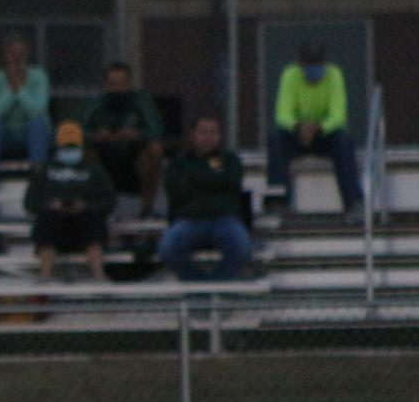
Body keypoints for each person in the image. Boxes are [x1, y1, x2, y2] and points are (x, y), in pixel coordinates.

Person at [266, 41, 363, 222]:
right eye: (309, 65)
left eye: (318, 65)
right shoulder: (290, 75)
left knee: (343, 140)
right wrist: (298, 127)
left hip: (324, 135)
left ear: (324, 64)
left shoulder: (334, 75)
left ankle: (354, 203)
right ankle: (277, 203)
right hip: (296, 134)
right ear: (300, 64)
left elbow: (338, 116)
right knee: (276, 139)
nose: (314, 69)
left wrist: (318, 127)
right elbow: (282, 114)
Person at [158, 114, 255, 282]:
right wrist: (213, 180)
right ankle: (197, 289)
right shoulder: (179, 162)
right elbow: (175, 191)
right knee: (167, 249)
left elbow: (232, 182)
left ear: (219, 136)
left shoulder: (230, 160)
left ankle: (216, 285)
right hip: (189, 220)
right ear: (192, 135)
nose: (207, 137)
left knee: (242, 248)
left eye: (213, 132)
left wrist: (193, 179)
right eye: (202, 132)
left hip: (225, 219)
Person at [23, 122, 115, 283]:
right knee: (48, 218)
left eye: (73, 147)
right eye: (66, 147)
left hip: (84, 225)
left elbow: (109, 200)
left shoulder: (94, 170)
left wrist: (86, 205)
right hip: (55, 225)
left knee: (92, 218)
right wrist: (50, 205)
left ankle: (99, 274)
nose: (70, 150)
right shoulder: (44, 171)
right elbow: (30, 202)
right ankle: (45, 275)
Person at [84, 62, 165, 218]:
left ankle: (147, 209)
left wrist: (135, 135)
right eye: (112, 84)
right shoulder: (96, 103)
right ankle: (94, 208)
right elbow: (81, 131)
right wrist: (97, 135)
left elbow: (156, 130)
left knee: (155, 150)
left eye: (122, 84)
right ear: (105, 85)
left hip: (134, 158)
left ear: (130, 84)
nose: (117, 89)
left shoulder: (142, 101)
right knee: (84, 151)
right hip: (105, 159)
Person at [0, 34, 51, 177]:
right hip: (6, 137)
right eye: (12, 54)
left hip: (34, 137)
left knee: (38, 123)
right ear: (3, 56)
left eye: (21, 54)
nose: (17, 58)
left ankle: (38, 172)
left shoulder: (38, 76)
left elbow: (37, 110)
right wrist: (11, 90)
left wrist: (19, 88)